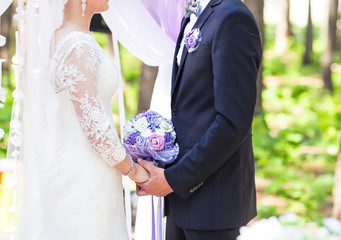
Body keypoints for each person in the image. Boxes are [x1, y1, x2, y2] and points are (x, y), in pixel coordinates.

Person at [18, 0, 148, 239]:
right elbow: (97, 131)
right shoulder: (78, 45)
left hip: (73, 168)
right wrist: (135, 171)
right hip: (85, 179)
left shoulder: (64, 38)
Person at [136, 0, 262, 239]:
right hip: (181, 201)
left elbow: (232, 124)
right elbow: (189, 106)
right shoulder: (193, 13)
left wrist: (173, 179)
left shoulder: (233, 18)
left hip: (214, 202)